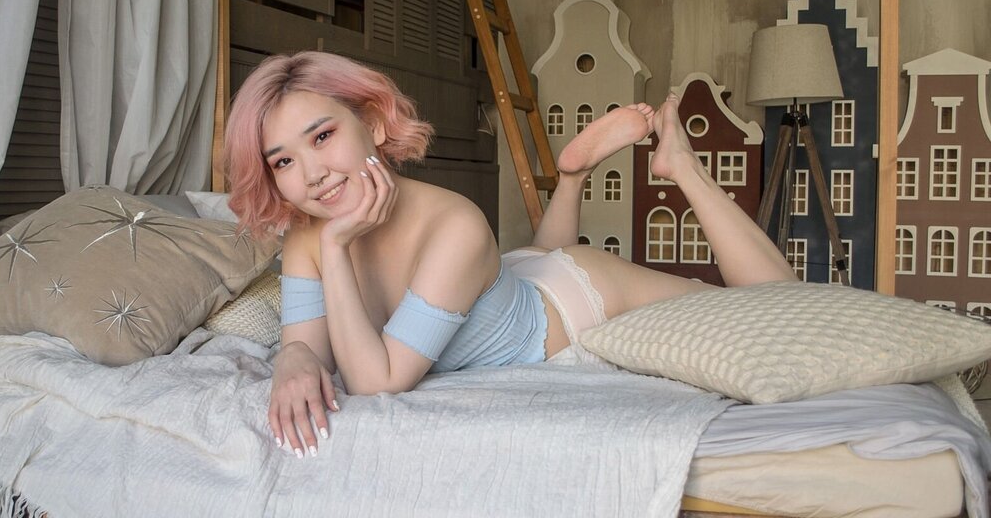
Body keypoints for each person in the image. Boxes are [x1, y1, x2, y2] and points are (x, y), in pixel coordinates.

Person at [224, 51, 797, 459]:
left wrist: (335, 246)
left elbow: (376, 382)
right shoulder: (306, 233)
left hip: (573, 297)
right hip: (502, 284)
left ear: (372, 124)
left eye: (322, 136)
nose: (312, 174)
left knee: (774, 300)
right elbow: (306, 345)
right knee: (531, 259)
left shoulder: (452, 223)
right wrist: (292, 358)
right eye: (283, 161)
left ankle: (682, 165)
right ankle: (571, 177)